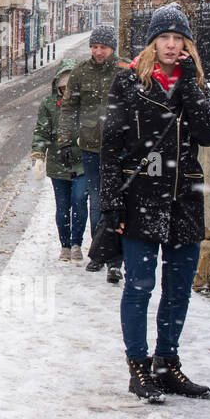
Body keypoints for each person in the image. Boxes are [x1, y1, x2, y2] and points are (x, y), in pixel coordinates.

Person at [95, 3, 210, 402]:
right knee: (140, 286)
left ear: (186, 44)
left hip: (185, 197)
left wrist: (190, 89)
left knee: (179, 287)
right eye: (163, 37)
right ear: (152, 42)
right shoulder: (129, 83)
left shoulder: (196, 83)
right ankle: (138, 368)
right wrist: (112, 204)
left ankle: (168, 365)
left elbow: (209, 134)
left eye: (177, 38)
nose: (170, 44)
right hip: (141, 198)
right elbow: (111, 146)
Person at [58, 23, 126, 282]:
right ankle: (99, 253)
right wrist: (65, 141)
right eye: (95, 47)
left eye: (104, 47)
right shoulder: (80, 72)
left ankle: (116, 260)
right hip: (91, 147)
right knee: (96, 203)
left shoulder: (124, 71)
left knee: (117, 203)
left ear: (112, 48)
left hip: (119, 149)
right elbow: (69, 108)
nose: (99, 52)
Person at [32, 60, 87, 261]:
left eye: (70, 87)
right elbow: (42, 130)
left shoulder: (86, 101)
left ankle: (76, 243)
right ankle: (64, 245)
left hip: (83, 162)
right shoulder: (49, 104)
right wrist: (38, 154)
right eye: (63, 87)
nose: (66, 92)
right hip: (58, 162)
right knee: (63, 206)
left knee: (80, 201)